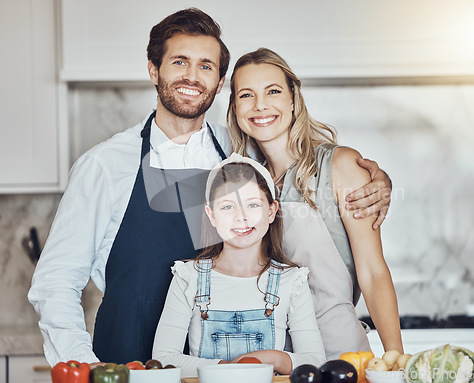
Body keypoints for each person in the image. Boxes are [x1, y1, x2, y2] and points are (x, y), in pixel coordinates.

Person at [28, 8, 392, 366]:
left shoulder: (239, 155)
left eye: (206, 66)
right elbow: (55, 282)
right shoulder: (105, 166)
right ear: (154, 70)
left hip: (230, 364)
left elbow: (300, 161)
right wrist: (82, 363)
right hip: (130, 363)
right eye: (179, 62)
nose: (192, 76)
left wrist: (373, 176)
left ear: (220, 84)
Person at [227, 48, 403, 358]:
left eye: (273, 91)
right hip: (266, 361)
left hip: (338, 356)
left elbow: (373, 272)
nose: (260, 105)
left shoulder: (341, 166)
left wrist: (396, 360)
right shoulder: (245, 184)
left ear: (293, 100)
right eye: (246, 95)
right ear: (235, 108)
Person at [152, 154, 326, 377]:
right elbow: (163, 358)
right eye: (227, 207)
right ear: (211, 215)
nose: (241, 217)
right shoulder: (188, 277)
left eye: (253, 204)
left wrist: (271, 358)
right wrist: (232, 369)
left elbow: (316, 362)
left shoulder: (292, 281)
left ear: (271, 211)